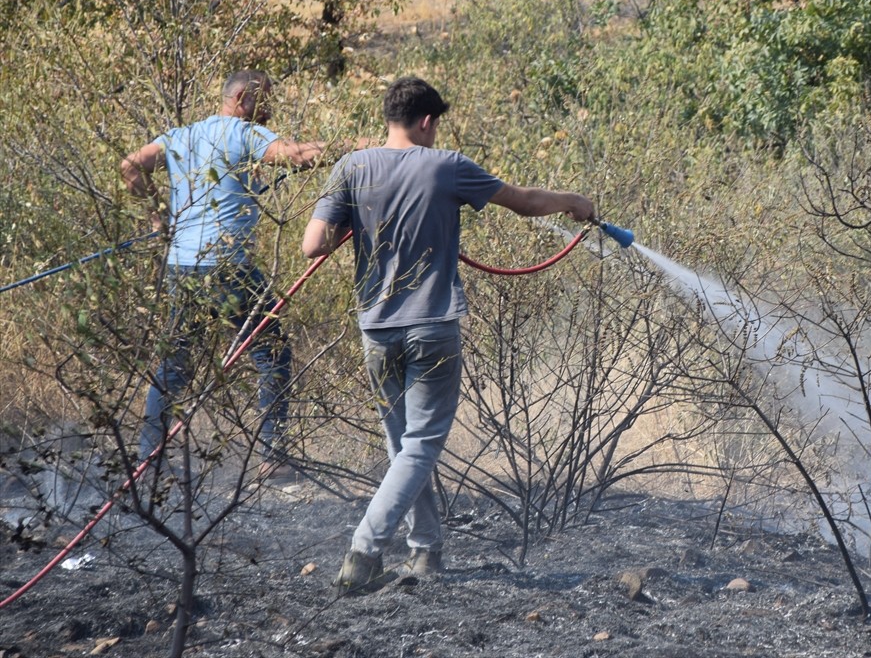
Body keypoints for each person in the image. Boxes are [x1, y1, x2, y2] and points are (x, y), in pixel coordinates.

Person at [302, 76, 594, 593]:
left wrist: (362, 220)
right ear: (427, 121)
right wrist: (575, 202)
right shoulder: (448, 165)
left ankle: (426, 553)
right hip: (432, 326)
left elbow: (313, 245)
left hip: (376, 327)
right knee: (419, 447)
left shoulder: (350, 167)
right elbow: (524, 202)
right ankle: (364, 552)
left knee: (405, 448)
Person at [122, 69, 364, 479]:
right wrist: (355, 149)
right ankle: (272, 456)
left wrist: (157, 218)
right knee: (272, 354)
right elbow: (296, 155)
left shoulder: (181, 136)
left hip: (182, 267)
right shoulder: (240, 131)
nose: (269, 111)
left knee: (174, 365)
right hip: (228, 266)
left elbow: (131, 166)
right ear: (241, 99)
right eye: (265, 101)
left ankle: (149, 462)